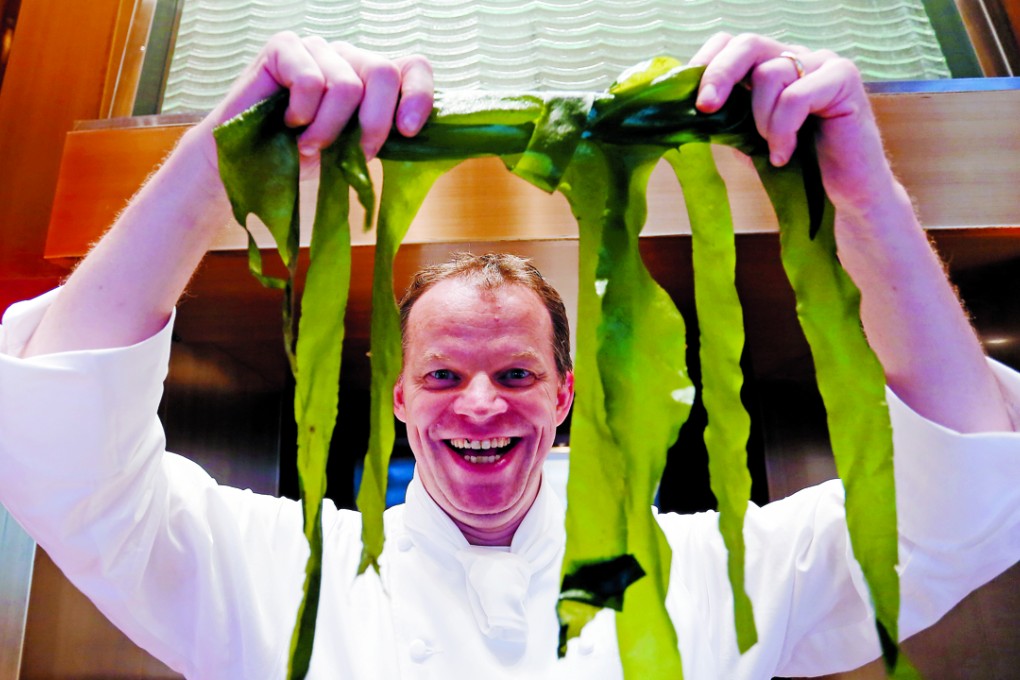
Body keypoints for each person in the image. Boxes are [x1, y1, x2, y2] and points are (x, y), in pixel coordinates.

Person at [0, 31, 1017, 679]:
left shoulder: (714, 570)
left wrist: (864, 196)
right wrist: (220, 158)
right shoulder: (278, 570)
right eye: (444, 374)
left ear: (564, 393)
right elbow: (62, 463)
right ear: (398, 397)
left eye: (516, 373)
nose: (479, 402)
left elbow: (962, 503)